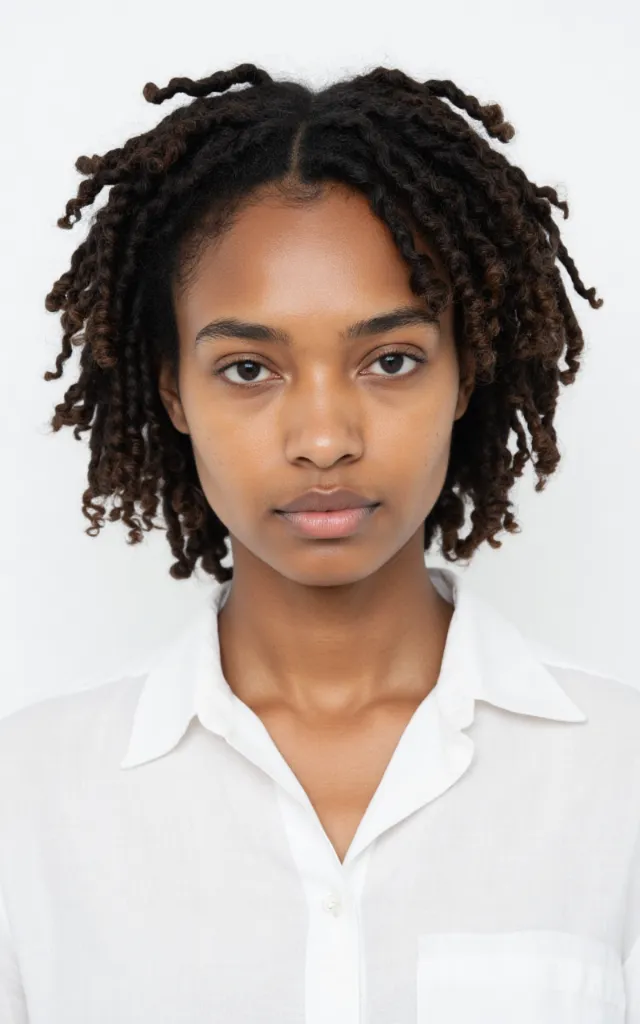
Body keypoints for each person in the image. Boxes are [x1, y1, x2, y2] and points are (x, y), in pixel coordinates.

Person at [1, 61, 638, 1023]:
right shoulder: (28, 799)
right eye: (248, 368)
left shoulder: (622, 781)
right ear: (173, 390)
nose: (325, 439)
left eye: (391, 360)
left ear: (464, 375)